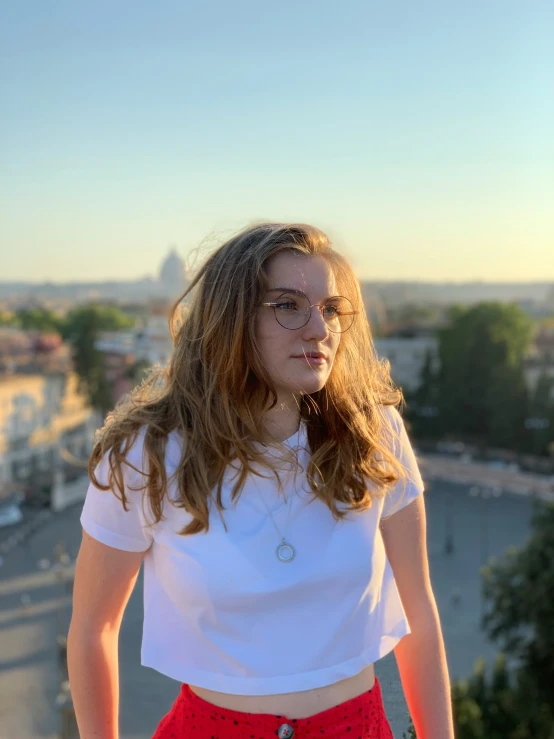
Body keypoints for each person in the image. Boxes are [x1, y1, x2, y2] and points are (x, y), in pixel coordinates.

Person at [67, 222, 454, 739]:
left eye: (331, 309)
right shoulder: (146, 452)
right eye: (289, 305)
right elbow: (94, 629)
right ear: (231, 319)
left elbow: (419, 616)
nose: (319, 329)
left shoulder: (373, 433)